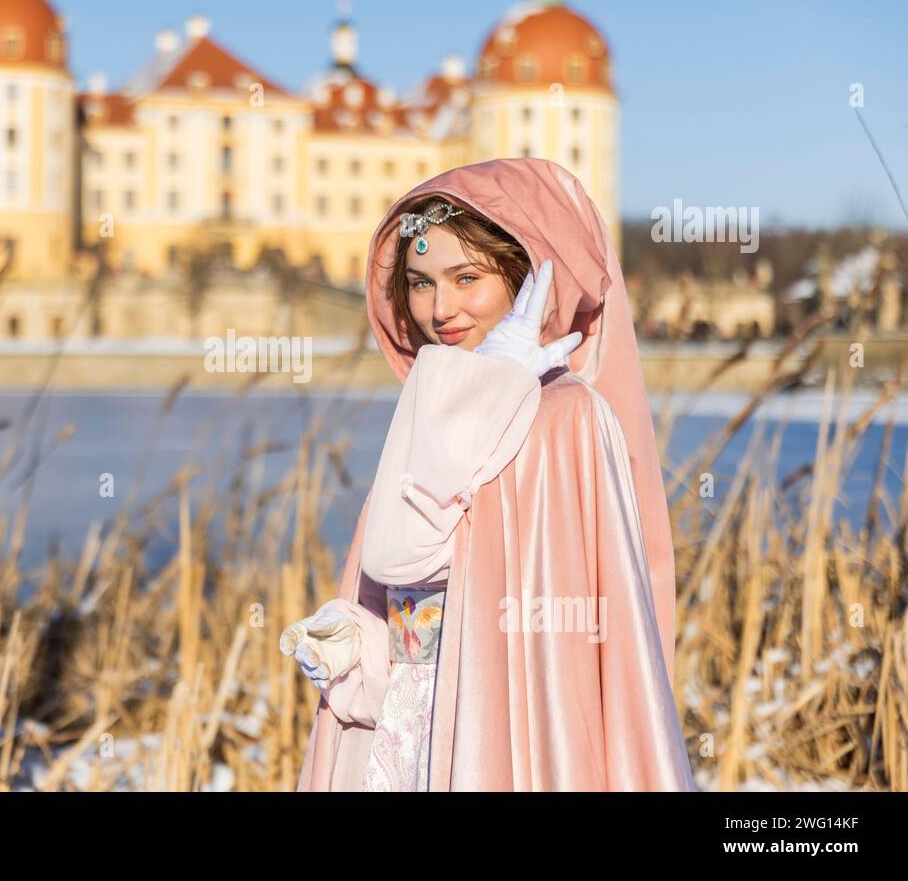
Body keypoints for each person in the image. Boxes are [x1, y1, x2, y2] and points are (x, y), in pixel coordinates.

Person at [282, 158, 696, 791]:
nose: (440, 308)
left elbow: (570, 664)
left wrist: (477, 393)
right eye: (420, 283)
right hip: (412, 739)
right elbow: (398, 573)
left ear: (530, 279)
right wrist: (354, 648)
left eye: (466, 277)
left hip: (503, 748)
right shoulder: (438, 398)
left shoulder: (568, 420)